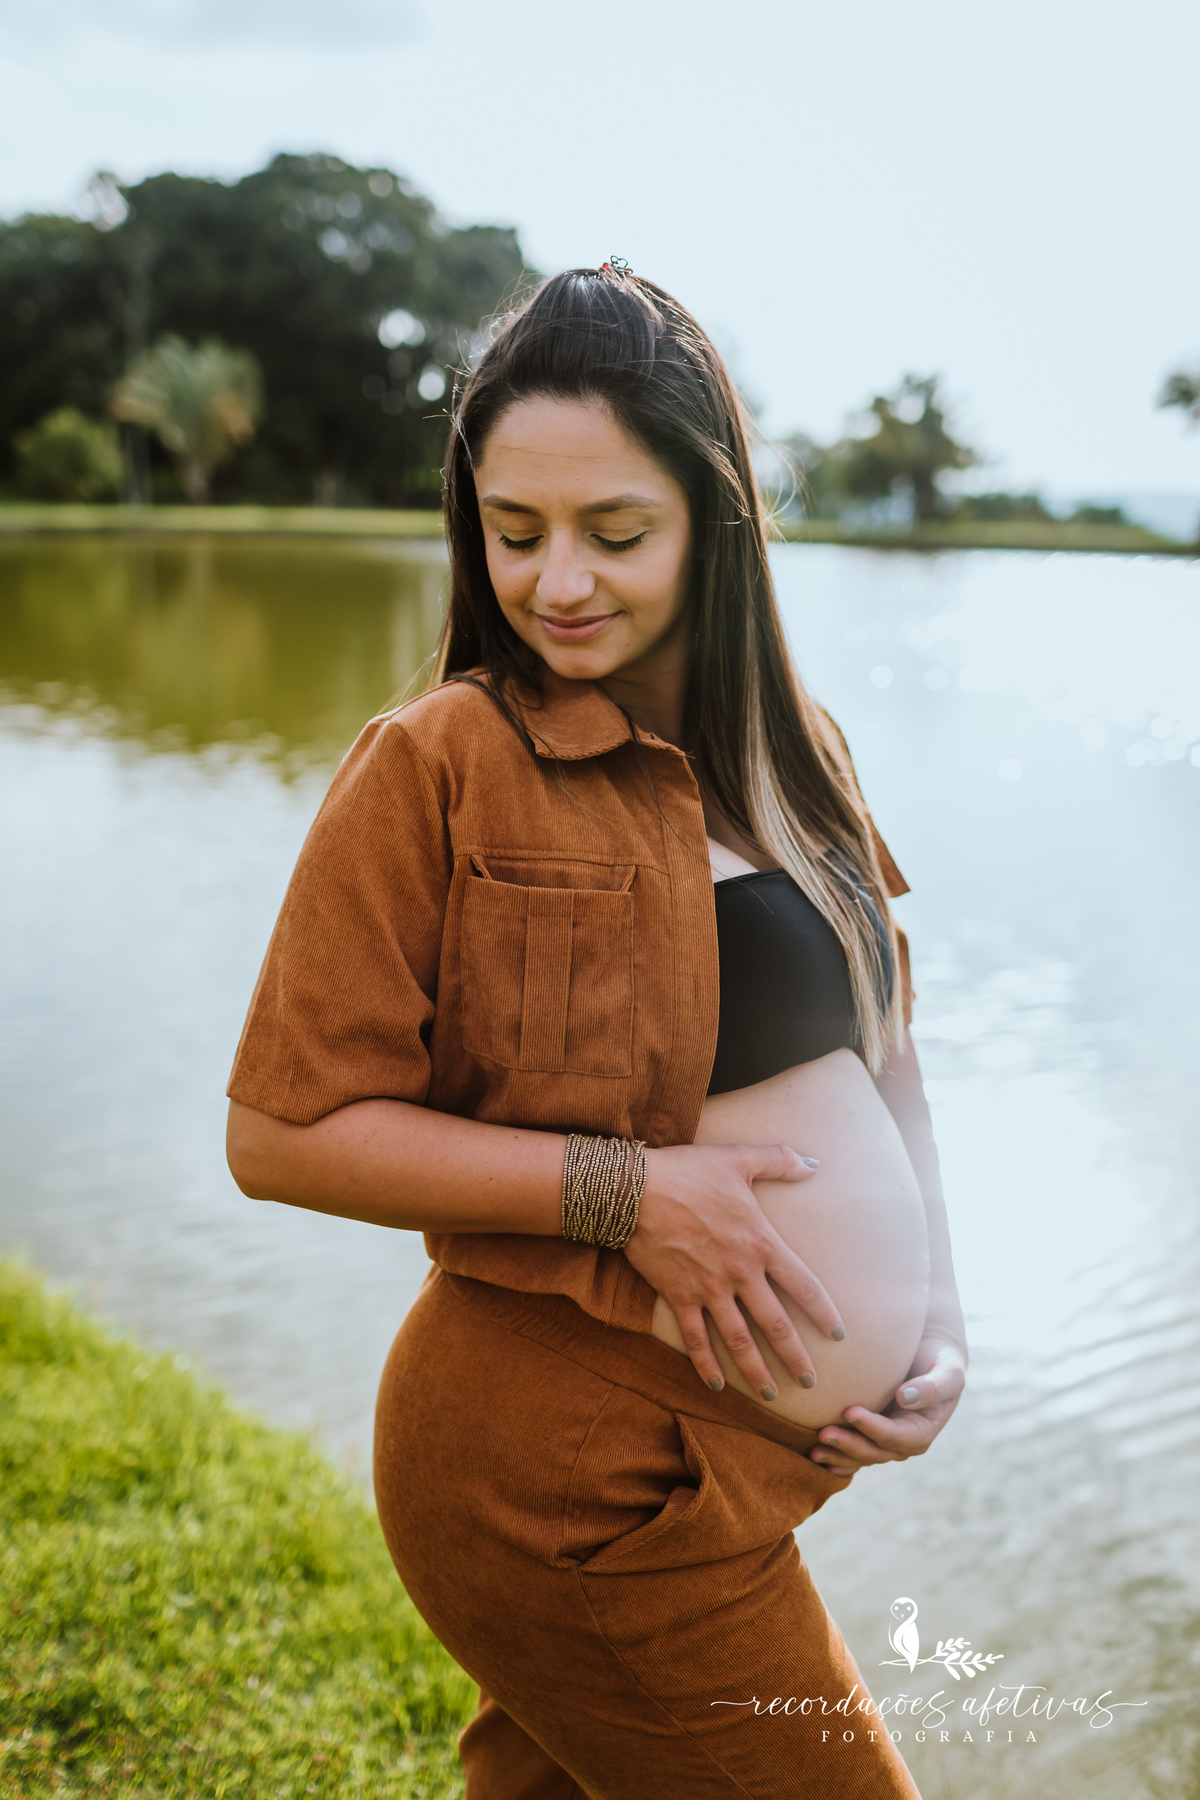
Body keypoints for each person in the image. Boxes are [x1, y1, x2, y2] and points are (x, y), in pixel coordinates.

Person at [226, 264, 968, 1799]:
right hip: (561, 1471)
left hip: (740, 1460)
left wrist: (940, 1308)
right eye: (515, 533)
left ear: (718, 518)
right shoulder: (436, 766)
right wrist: (629, 1195)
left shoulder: (796, 751)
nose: (558, 583)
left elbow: (885, 1046)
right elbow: (281, 1131)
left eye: (615, 535)